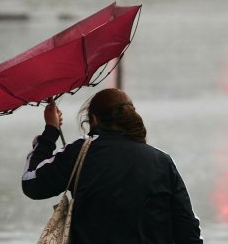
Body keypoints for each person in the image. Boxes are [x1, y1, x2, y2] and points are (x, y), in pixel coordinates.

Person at [22, 88, 203, 243]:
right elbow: (187, 226)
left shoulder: (79, 153)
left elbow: (32, 183)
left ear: (94, 119)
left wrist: (51, 131)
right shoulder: (161, 161)